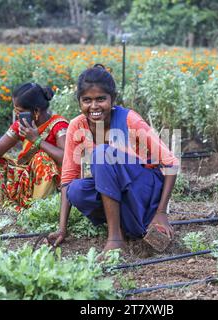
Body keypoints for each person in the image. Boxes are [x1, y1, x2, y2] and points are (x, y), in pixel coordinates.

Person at [47, 64, 180, 252]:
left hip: (144, 189)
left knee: (101, 154)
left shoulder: (129, 120)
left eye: (101, 99)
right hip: (119, 192)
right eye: (87, 100)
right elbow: (68, 179)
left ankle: (116, 237)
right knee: (76, 190)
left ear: (113, 99)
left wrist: (161, 213)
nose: (94, 106)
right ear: (79, 102)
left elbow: (170, 163)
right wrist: (62, 229)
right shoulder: (77, 126)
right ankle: (122, 226)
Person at [0, 82, 69, 209]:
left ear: (36, 111)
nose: (17, 114)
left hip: (51, 185)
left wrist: (36, 140)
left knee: (42, 159)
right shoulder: (21, 125)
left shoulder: (58, 124)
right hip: (25, 177)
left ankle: (37, 208)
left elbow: (65, 157)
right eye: (15, 110)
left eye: (20, 111)